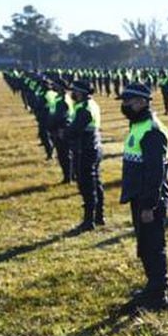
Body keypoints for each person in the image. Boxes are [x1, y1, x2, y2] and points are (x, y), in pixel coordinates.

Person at [117, 83, 168, 311]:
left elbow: (154, 173)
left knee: (153, 244)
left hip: (150, 199)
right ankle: (153, 284)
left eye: (128, 102)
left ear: (141, 102)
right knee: (145, 244)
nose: (124, 105)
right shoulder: (138, 125)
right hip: (139, 196)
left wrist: (149, 205)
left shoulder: (151, 131)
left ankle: (158, 295)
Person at [67, 80, 105, 231]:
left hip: (86, 148)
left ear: (81, 93)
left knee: (87, 183)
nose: (72, 94)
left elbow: (75, 130)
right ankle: (99, 215)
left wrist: (65, 132)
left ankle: (89, 220)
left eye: (75, 91)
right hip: (94, 145)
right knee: (95, 181)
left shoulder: (84, 109)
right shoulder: (91, 104)